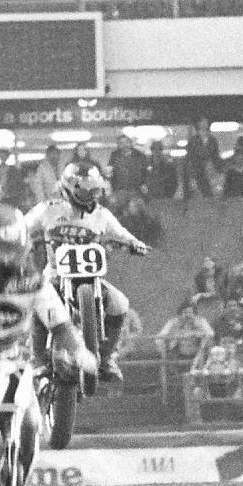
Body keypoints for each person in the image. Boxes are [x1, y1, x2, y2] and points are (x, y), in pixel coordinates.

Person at [0, 203, 99, 486]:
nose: (3, 259)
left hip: (13, 361)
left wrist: (80, 352)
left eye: (9, 251)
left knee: (31, 424)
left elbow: (59, 323)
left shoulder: (33, 280)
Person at [25, 163, 151, 382]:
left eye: (94, 191)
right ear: (68, 189)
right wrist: (20, 241)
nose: (90, 197)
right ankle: (38, 359)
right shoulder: (47, 209)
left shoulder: (102, 215)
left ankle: (107, 357)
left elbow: (120, 233)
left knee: (120, 304)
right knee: (39, 303)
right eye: (85, 192)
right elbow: (24, 226)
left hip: (92, 277)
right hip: (55, 275)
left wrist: (135, 243)